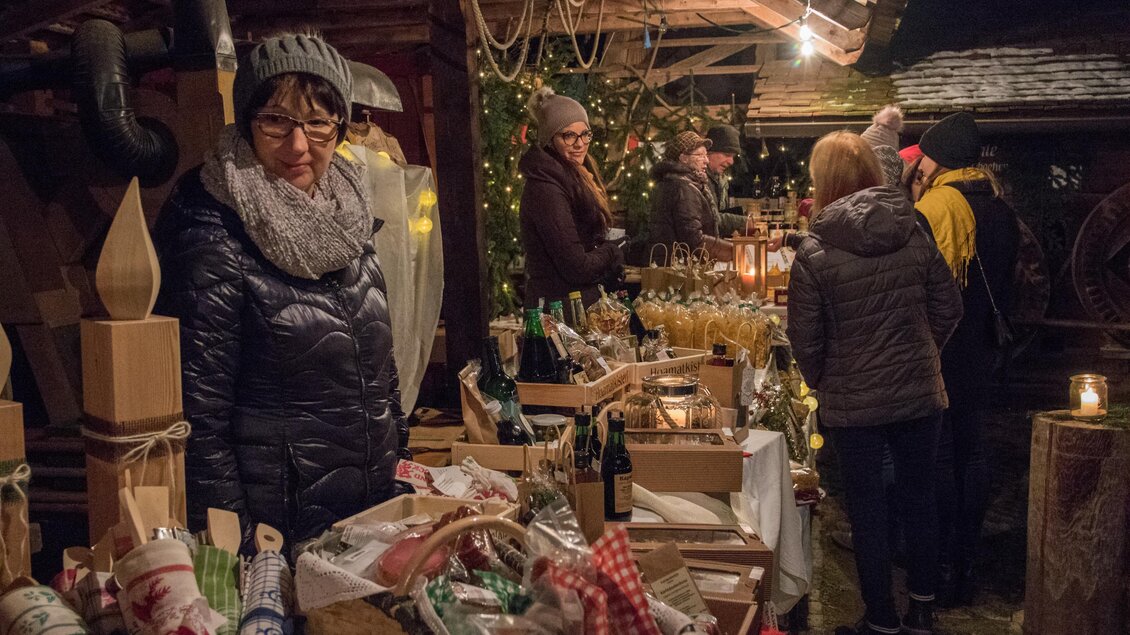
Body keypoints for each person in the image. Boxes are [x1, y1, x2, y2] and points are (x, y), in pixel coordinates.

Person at [154, 33, 411, 552]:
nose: (298, 145)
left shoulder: (349, 217)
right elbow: (199, 419)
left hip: (367, 515)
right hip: (278, 535)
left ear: (339, 126)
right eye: (276, 121)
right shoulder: (211, 230)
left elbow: (380, 373)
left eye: (318, 123)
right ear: (247, 123)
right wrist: (243, 549)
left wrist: (399, 466)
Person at [787, 131, 963, 635]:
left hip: (854, 402)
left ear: (824, 182)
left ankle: (881, 619)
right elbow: (949, 307)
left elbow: (805, 339)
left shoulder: (816, 249)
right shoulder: (913, 229)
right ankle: (922, 612)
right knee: (919, 499)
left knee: (868, 511)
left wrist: (826, 380)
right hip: (919, 393)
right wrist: (921, 353)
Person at [912, 112, 1020, 606]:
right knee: (972, 453)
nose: (921, 167)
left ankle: (936, 565)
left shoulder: (934, 209)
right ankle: (966, 563)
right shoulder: (1001, 211)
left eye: (926, 158)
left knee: (938, 456)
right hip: (982, 350)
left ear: (941, 161)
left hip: (940, 348)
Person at [519, 86, 623, 309]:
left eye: (585, 134)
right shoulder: (546, 189)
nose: (580, 143)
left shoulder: (576, 176)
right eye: (568, 135)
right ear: (550, 139)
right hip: (559, 311)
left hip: (574, 303)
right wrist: (612, 251)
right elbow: (576, 266)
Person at [649, 130, 733, 261]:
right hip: (680, 266)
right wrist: (733, 252)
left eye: (706, 155)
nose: (706, 160)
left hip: (675, 262)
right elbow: (693, 239)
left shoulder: (678, 182)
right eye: (700, 155)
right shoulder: (682, 187)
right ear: (683, 158)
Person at [705, 124, 748, 236]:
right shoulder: (698, 180)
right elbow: (708, 219)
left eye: (733, 156)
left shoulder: (719, 179)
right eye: (727, 154)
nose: (731, 161)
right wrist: (745, 222)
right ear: (709, 152)